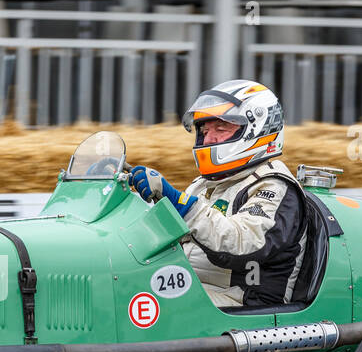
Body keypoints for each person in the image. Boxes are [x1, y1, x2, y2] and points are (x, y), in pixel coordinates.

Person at [128, 79, 308, 309]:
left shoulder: (274, 186)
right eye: (204, 131)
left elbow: (240, 245)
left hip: (244, 303)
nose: (209, 139)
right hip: (196, 287)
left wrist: (179, 202)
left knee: (140, 308)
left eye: (221, 129)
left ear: (257, 129)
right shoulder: (205, 185)